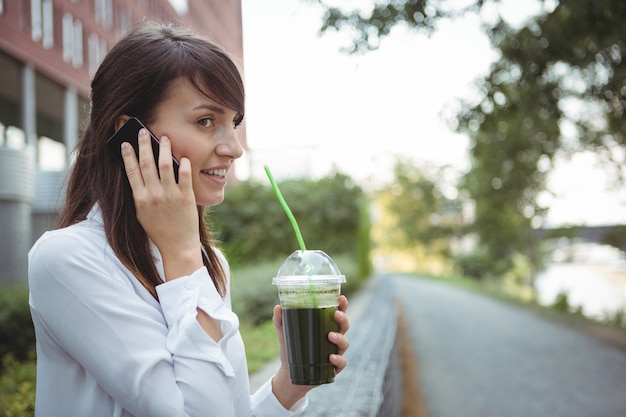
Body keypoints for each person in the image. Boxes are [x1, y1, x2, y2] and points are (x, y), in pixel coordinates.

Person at [27, 22, 350, 417]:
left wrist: (290, 385)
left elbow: (220, 408)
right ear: (132, 135)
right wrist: (182, 257)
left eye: (234, 123)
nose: (233, 148)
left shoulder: (207, 264)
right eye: (205, 121)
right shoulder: (67, 260)